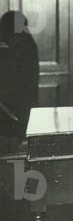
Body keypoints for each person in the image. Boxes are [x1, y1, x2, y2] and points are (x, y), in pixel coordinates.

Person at [0, 11, 39, 152]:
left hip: (10, 97)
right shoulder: (28, 40)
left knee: (9, 133)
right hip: (25, 95)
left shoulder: (11, 41)